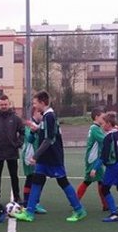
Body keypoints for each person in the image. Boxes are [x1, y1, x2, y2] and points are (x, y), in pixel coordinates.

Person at [13, 90, 87, 223]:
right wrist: (36, 130)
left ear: (42, 102)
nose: (34, 106)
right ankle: (29, 212)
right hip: (45, 158)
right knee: (36, 181)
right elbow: (46, 133)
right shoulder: (46, 116)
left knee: (63, 182)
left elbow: (49, 139)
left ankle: (79, 210)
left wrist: (35, 156)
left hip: (53, 157)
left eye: (35, 103)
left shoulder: (49, 116)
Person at [0, 95, 24, 204]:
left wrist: (18, 143)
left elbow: (23, 132)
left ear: (9, 104)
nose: (3, 106)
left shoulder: (16, 119)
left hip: (12, 152)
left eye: (5, 104)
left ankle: (17, 196)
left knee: (14, 176)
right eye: (1, 104)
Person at [76, 107, 109, 212]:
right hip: (93, 159)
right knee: (94, 181)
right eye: (102, 117)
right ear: (96, 117)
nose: (104, 119)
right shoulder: (95, 129)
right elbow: (105, 140)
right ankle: (106, 204)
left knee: (95, 181)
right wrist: (113, 134)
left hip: (94, 159)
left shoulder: (96, 128)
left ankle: (105, 204)